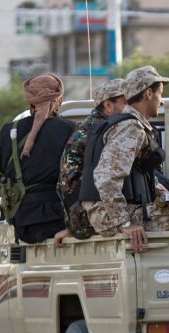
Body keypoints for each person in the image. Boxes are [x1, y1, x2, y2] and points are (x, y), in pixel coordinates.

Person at [79, 66, 169, 251]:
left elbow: (134, 174)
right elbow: (106, 177)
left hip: (111, 212)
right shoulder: (131, 127)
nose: (161, 102)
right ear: (148, 93)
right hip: (112, 216)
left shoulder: (124, 124)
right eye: (160, 94)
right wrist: (125, 224)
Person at [0, 73, 76, 244]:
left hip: (19, 224)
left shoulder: (8, 131)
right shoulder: (70, 129)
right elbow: (76, 178)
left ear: (30, 101)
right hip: (57, 223)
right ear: (58, 99)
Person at [55, 78, 127, 246]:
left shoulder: (92, 126)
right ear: (108, 105)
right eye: (127, 102)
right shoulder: (104, 131)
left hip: (81, 219)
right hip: (91, 218)